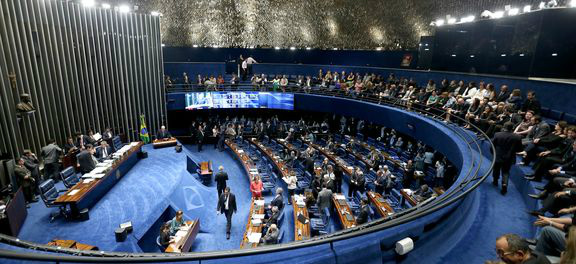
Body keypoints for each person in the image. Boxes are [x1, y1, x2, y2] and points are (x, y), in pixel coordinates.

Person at [492, 122, 523, 195]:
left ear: (504, 127)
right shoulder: (517, 137)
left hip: (498, 156)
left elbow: (492, 146)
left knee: (496, 169)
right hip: (509, 158)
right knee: (506, 171)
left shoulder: (497, 134)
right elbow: (520, 149)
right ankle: (504, 184)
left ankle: (495, 181)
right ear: (512, 128)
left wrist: (493, 153)